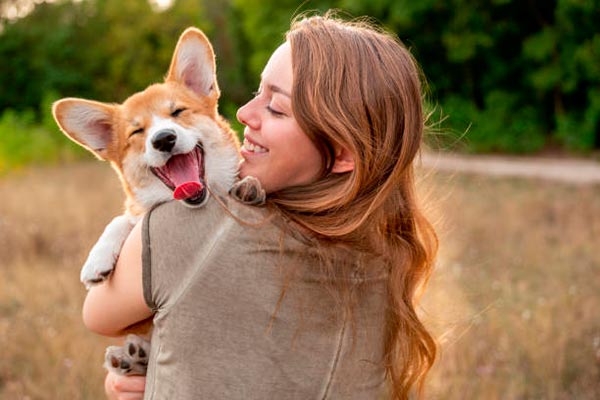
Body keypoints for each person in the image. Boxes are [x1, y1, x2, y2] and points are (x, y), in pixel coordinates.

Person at [84, 12, 438, 400]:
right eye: (258, 92)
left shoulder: (186, 228)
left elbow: (97, 315)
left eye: (277, 108)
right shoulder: (388, 256)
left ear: (340, 153)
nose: (242, 114)